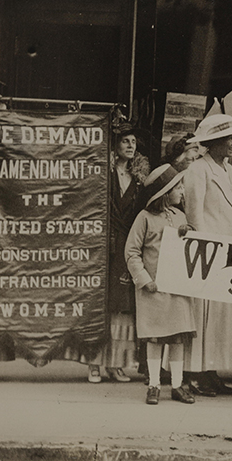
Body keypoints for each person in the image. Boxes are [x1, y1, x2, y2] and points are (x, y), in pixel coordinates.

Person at [183, 114, 232, 396]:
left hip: (229, 251)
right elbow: (194, 213)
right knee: (205, 315)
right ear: (213, 143)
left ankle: (212, 373)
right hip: (209, 252)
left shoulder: (227, 170)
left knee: (222, 317)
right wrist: (202, 247)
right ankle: (195, 374)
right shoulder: (198, 170)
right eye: (228, 139)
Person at [125, 164, 197, 405]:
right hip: (153, 291)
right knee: (155, 339)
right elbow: (132, 252)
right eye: (177, 187)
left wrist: (189, 234)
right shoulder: (144, 218)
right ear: (165, 192)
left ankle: (177, 385)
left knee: (177, 338)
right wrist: (145, 280)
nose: (182, 192)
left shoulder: (179, 217)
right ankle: (154, 384)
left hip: (176, 288)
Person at [87, 123, 150, 383]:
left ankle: (115, 364)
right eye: (125, 141)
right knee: (100, 304)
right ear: (115, 145)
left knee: (122, 305)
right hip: (104, 243)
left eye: (133, 141)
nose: (130, 145)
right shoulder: (104, 173)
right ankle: (93, 363)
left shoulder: (138, 179)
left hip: (126, 243)